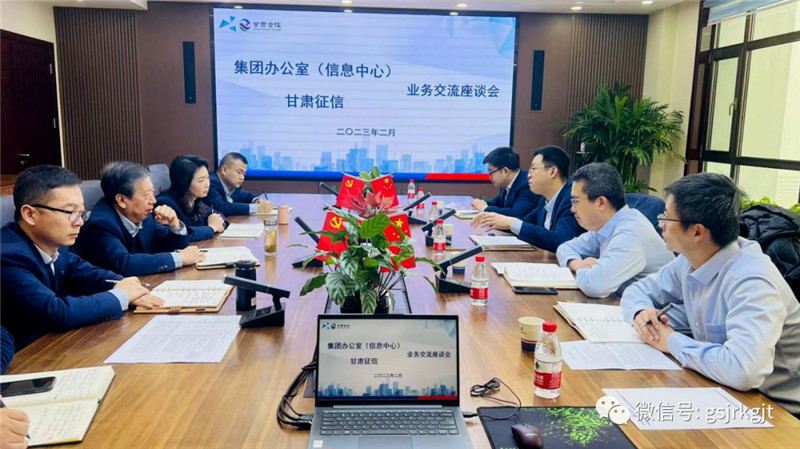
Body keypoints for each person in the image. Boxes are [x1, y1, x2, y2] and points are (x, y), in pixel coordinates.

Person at [622, 173, 800, 416]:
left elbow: (744, 370)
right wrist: (641, 312)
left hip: (780, 411)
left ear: (697, 232)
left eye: (666, 216)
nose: (660, 223)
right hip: (724, 390)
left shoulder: (753, 279)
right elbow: (638, 290)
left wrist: (670, 341)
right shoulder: (689, 260)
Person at [1, 166, 163, 350]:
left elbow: (85, 272)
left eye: (81, 213)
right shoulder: (8, 257)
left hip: (55, 343)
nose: (79, 222)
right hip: (25, 356)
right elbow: (56, 312)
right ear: (30, 214)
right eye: (70, 213)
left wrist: (124, 285)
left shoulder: (55, 243)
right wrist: (121, 295)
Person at [555, 163, 674, 298]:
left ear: (601, 203)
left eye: (576, 201)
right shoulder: (607, 224)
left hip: (655, 309)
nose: (572, 209)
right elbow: (565, 248)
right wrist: (577, 264)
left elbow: (595, 286)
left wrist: (587, 270)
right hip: (626, 302)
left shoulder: (631, 232)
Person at [73, 162, 204, 276]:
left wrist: (175, 225)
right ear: (122, 200)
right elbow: (123, 263)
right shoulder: (100, 224)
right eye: (147, 195)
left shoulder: (141, 213)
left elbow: (166, 243)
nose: (153, 200)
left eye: (153, 192)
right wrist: (179, 258)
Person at [471, 145, 583, 252]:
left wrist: (510, 222)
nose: (529, 175)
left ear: (552, 171)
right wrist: (499, 220)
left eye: (533, 169)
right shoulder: (545, 200)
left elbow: (559, 240)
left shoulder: (571, 199)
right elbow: (525, 222)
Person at [156, 155, 225, 242]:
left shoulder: (195, 199)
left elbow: (218, 215)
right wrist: (211, 228)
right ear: (184, 182)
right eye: (201, 180)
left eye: (207, 178)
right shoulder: (166, 204)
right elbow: (182, 233)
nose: (207, 184)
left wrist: (219, 222)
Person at [471, 146, 542, 218]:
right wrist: (480, 204)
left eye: (491, 172)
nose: (490, 177)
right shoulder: (506, 183)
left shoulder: (527, 185)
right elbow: (497, 203)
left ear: (505, 171)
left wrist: (485, 208)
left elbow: (516, 214)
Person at [202, 152, 273, 216]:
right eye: (239, 172)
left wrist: (257, 200)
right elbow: (222, 207)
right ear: (224, 170)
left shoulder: (232, 185)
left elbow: (246, 195)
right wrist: (256, 208)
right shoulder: (211, 183)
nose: (242, 178)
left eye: (244, 174)